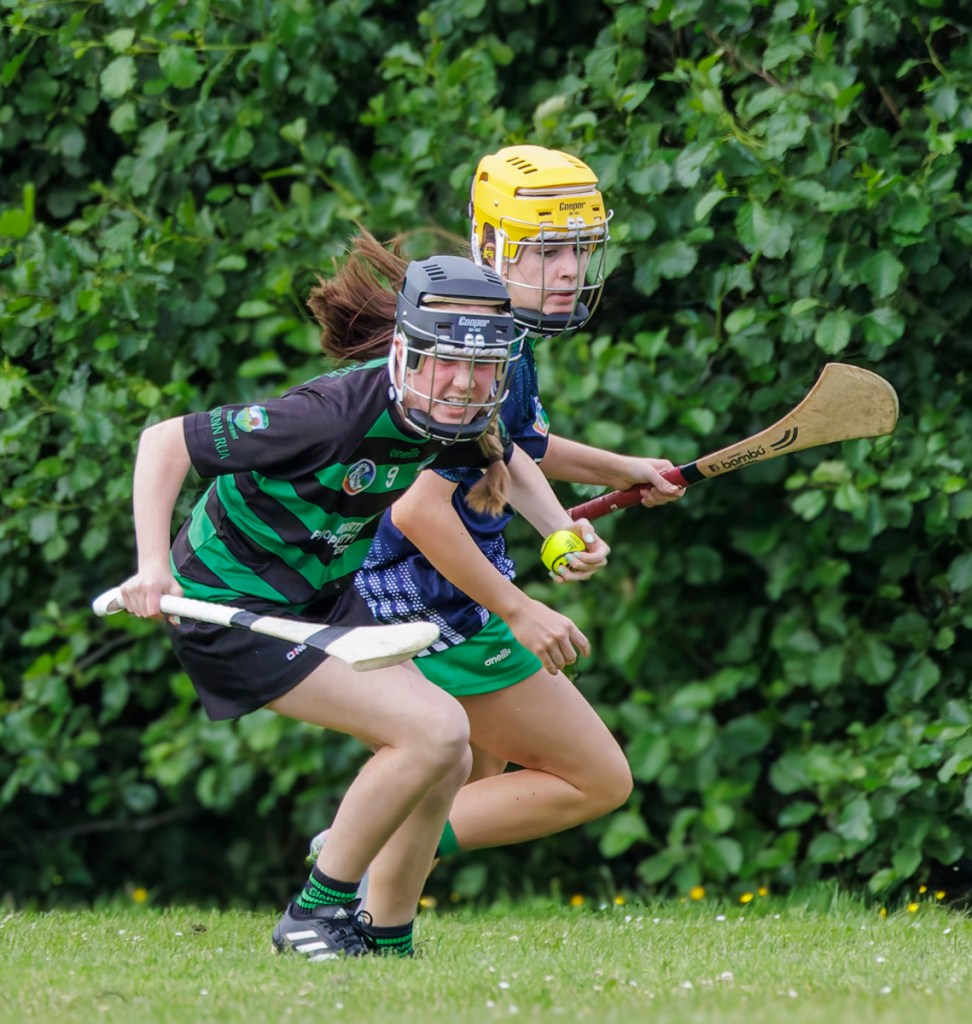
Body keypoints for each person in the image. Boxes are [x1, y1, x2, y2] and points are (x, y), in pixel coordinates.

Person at [117, 252, 606, 960]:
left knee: (448, 754)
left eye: (483, 368)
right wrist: (152, 563)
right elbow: (164, 441)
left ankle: (385, 938)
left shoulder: (454, 415)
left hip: (323, 596)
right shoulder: (329, 415)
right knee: (434, 729)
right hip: (235, 602)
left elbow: (502, 458)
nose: (464, 384)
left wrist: (560, 530)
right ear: (406, 353)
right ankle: (313, 913)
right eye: (448, 362)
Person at [319, 146, 686, 883]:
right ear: (489, 245)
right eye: (546, 251)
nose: (569, 272)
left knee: (462, 774)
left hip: (415, 589)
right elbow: (419, 510)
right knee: (596, 778)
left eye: (579, 250)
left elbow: (512, 447)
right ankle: (353, 851)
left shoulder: (499, 335)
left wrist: (599, 489)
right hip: (423, 596)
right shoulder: (474, 345)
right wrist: (518, 609)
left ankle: (364, 915)